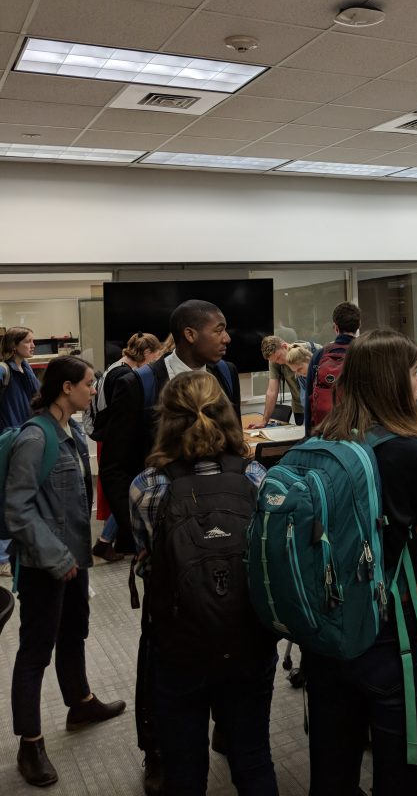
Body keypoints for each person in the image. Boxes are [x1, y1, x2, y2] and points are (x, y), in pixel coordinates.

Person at [301, 329, 417, 796]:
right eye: (412, 373)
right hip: (394, 633)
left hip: (326, 631)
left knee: (331, 770)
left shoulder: (321, 442)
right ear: (392, 381)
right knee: (402, 772)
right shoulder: (407, 451)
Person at [99, 299, 239, 795]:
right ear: (187, 334)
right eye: (218, 330)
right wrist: (140, 534)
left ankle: (228, 722)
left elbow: (233, 443)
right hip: (163, 531)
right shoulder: (138, 383)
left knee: (228, 623)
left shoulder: (225, 372)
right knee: (160, 641)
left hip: (223, 527)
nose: (226, 338)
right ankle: (157, 747)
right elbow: (115, 464)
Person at [130, 372, 278, 796]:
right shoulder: (255, 476)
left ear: (166, 420)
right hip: (248, 635)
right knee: (253, 756)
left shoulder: (147, 486)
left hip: (179, 642)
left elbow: (146, 560)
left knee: (184, 765)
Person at [5, 356, 126, 787]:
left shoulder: (72, 430)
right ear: (66, 388)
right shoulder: (35, 438)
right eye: (90, 384)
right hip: (45, 564)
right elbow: (17, 509)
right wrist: (56, 558)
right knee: (36, 651)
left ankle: (81, 702)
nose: (94, 391)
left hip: (74, 560)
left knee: (74, 633)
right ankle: (30, 743)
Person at [91, 331, 162, 564]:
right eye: (155, 356)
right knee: (128, 490)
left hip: (109, 438)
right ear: (147, 353)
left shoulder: (116, 368)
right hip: (116, 440)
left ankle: (105, 540)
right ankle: (105, 540)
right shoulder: (126, 376)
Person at [0, 328, 41, 577]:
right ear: (14, 345)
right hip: (9, 439)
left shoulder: (25, 370)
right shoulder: (4, 370)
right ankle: (3, 557)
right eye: (28, 341)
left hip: (24, 438)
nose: (33, 345)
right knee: (6, 496)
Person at [304, 301, 361, 428]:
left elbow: (309, 398)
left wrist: (309, 437)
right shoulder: (365, 353)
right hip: (357, 431)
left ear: (335, 327)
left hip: (324, 431)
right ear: (358, 326)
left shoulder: (319, 356)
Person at [253, 334, 319, 428]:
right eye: (275, 361)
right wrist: (264, 421)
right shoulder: (274, 360)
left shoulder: (313, 350)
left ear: (284, 346)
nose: (279, 362)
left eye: (279, 357)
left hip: (321, 407)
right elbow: (272, 391)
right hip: (300, 408)